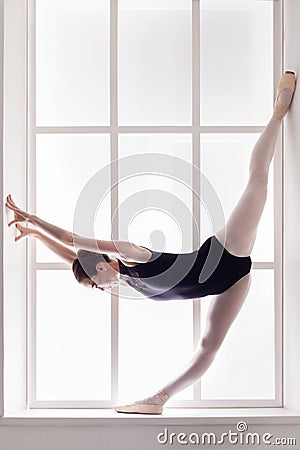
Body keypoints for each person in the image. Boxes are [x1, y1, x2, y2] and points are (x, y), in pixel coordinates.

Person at [6, 71, 296, 415]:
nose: (100, 290)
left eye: (95, 284)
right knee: (208, 345)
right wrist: (37, 237)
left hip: (225, 252)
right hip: (231, 282)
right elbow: (72, 255)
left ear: (100, 266)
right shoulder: (124, 278)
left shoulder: (132, 254)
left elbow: (74, 242)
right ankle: (157, 400)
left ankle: (277, 112)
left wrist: (35, 219)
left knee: (258, 183)